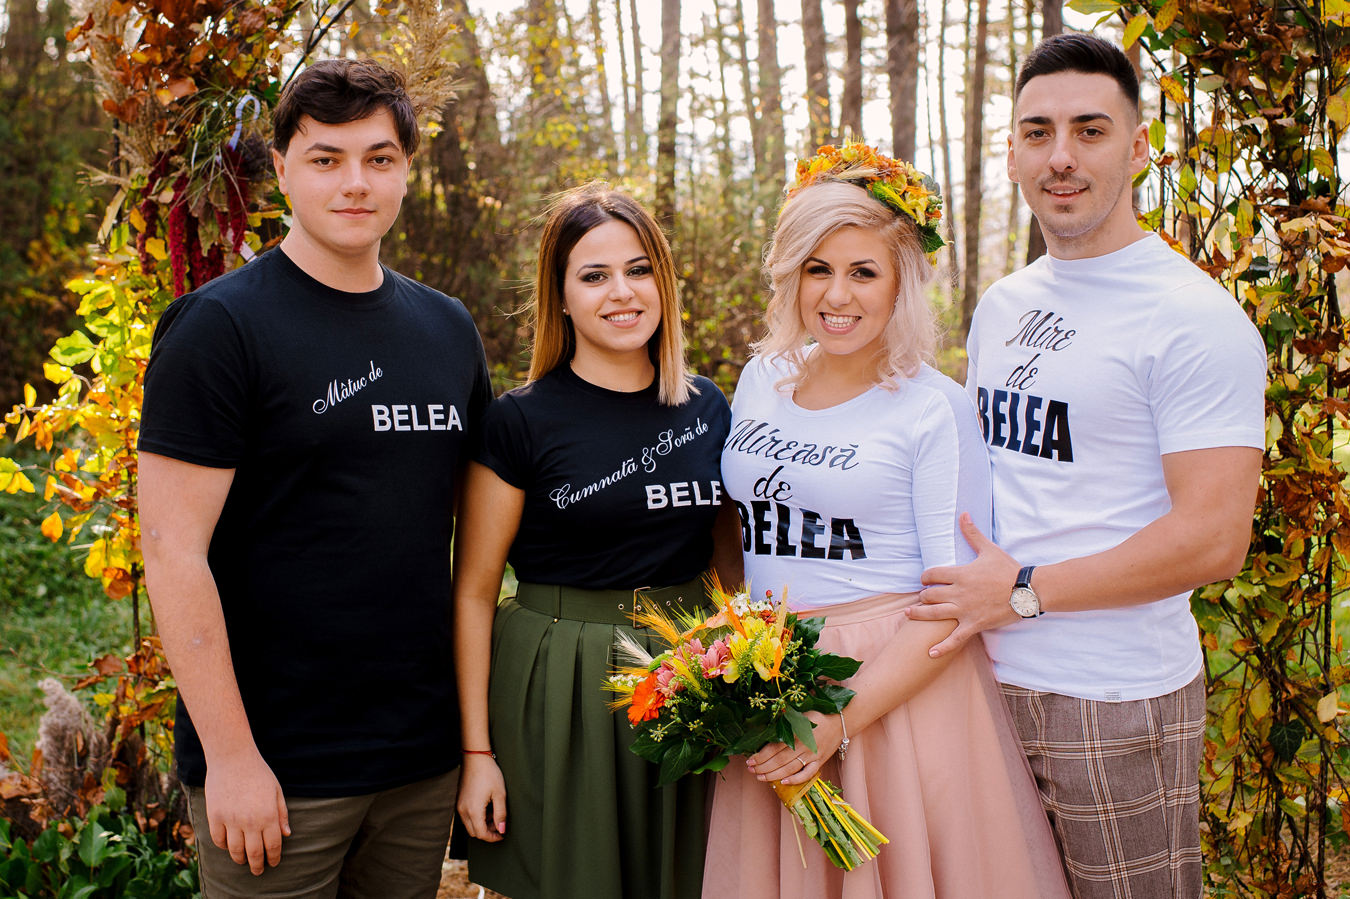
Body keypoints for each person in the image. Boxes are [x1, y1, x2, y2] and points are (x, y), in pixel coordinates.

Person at [912, 33, 1267, 899]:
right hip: (981, 680)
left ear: (1139, 147)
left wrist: (1022, 592)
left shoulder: (1192, 317)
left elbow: (1214, 538)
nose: (1060, 156)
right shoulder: (1003, 305)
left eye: (1090, 130)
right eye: (1038, 132)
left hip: (1113, 697)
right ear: (1013, 153)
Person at [138, 59, 492, 897]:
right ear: (283, 169)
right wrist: (231, 756)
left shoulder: (447, 329)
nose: (354, 182)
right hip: (276, 768)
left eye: (379, 157)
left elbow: (474, 541)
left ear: (407, 169)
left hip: (417, 760)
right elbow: (172, 552)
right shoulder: (220, 327)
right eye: (326, 158)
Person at [702, 143, 1071, 899]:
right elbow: (745, 529)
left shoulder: (933, 406)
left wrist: (835, 721)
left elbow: (954, 601)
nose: (837, 295)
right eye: (818, 268)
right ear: (791, 274)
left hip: (889, 687)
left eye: (863, 272)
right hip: (770, 672)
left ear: (900, 280)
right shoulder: (762, 378)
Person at [453, 183, 739, 899]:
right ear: (560, 296)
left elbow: (729, 557)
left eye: (639, 270)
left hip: (687, 671)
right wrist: (477, 751)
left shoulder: (706, 407)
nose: (622, 292)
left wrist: (744, 666)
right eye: (594, 275)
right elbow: (475, 593)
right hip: (564, 679)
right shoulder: (519, 421)